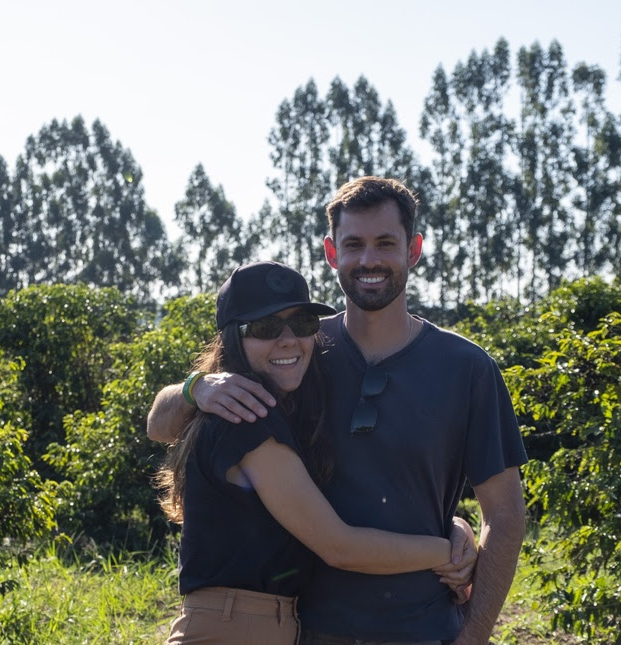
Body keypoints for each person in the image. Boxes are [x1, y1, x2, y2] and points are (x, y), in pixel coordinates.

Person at [148, 177, 528, 645]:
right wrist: (195, 387)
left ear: (413, 250)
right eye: (353, 245)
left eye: (385, 243)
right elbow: (160, 425)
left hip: (425, 629)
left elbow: (505, 516)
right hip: (306, 629)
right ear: (332, 253)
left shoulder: (467, 368)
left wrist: (472, 633)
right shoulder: (298, 353)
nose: (369, 260)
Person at [156, 260, 469, 645]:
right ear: (233, 340)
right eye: (266, 327)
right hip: (235, 626)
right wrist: (447, 552)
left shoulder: (280, 411)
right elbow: (339, 546)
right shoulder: (247, 418)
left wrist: (452, 525)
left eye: (302, 323)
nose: (288, 339)